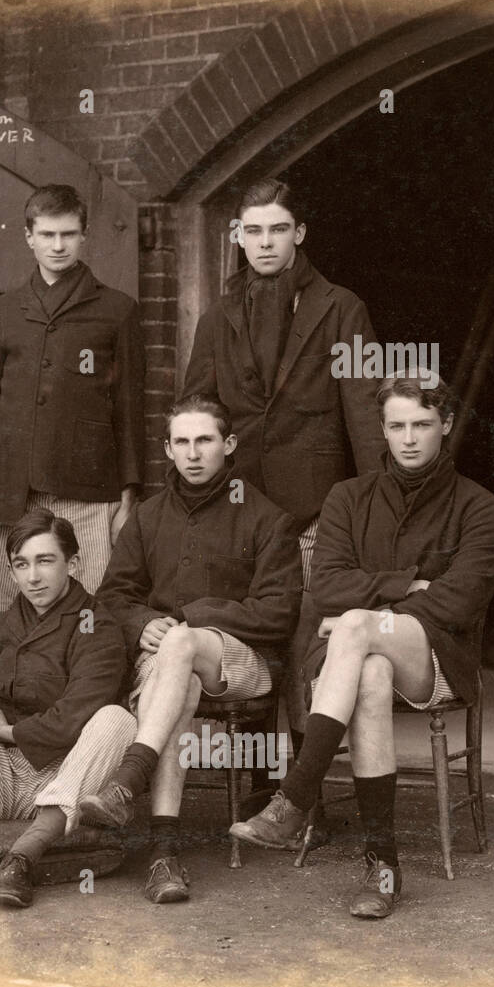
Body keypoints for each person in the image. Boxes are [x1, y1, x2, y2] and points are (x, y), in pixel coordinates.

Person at [229, 377, 494, 918]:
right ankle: (384, 865)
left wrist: (372, 611)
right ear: (381, 429)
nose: (408, 439)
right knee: (371, 673)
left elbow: (461, 602)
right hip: (365, 657)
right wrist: (407, 586)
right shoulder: (348, 497)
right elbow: (325, 583)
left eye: (422, 425)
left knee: (353, 626)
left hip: (439, 659)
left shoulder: (480, 505)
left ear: (445, 425)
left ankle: (296, 795)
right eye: (396, 426)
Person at [182, 178, 383, 790]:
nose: (264, 242)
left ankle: (306, 796)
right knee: (247, 632)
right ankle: (261, 790)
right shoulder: (220, 315)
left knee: (303, 642)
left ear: (299, 234)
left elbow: (366, 409)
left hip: (315, 506)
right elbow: (197, 405)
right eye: (252, 231)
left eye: (276, 229)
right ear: (237, 238)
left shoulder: (341, 306)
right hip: (240, 506)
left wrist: (373, 505)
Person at [80, 395, 301, 903]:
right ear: (168, 449)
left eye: (205, 440)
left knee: (180, 645)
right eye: (182, 441)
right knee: (178, 678)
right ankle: (164, 854)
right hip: (168, 664)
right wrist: (142, 624)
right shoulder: (149, 516)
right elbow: (115, 595)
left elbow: (278, 614)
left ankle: (129, 777)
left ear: (229, 444)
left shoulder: (267, 516)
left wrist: (191, 618)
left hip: (248, 663)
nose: (194, 452)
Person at [0, 510, 136, 909]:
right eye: (21, 564)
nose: (33, 576)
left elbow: (75, 718)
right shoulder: (2, 625)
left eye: (45, 561)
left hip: (67, 778)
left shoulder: (97, 625)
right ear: (12, 571)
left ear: (73, 563)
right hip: (4, 778)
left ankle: (23, 858)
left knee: (116, 720)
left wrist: (10, 733)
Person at [0, 183, 145, 616]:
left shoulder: (117, 310)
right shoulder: (2, 313)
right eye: (47, 235)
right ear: (29, 237)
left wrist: (127, 495)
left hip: (89, 490)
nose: (57, 245)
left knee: (91, 609)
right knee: (8, 611)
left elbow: (130, 411)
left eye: (67, 234)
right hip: (10, 491)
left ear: (83, 236)